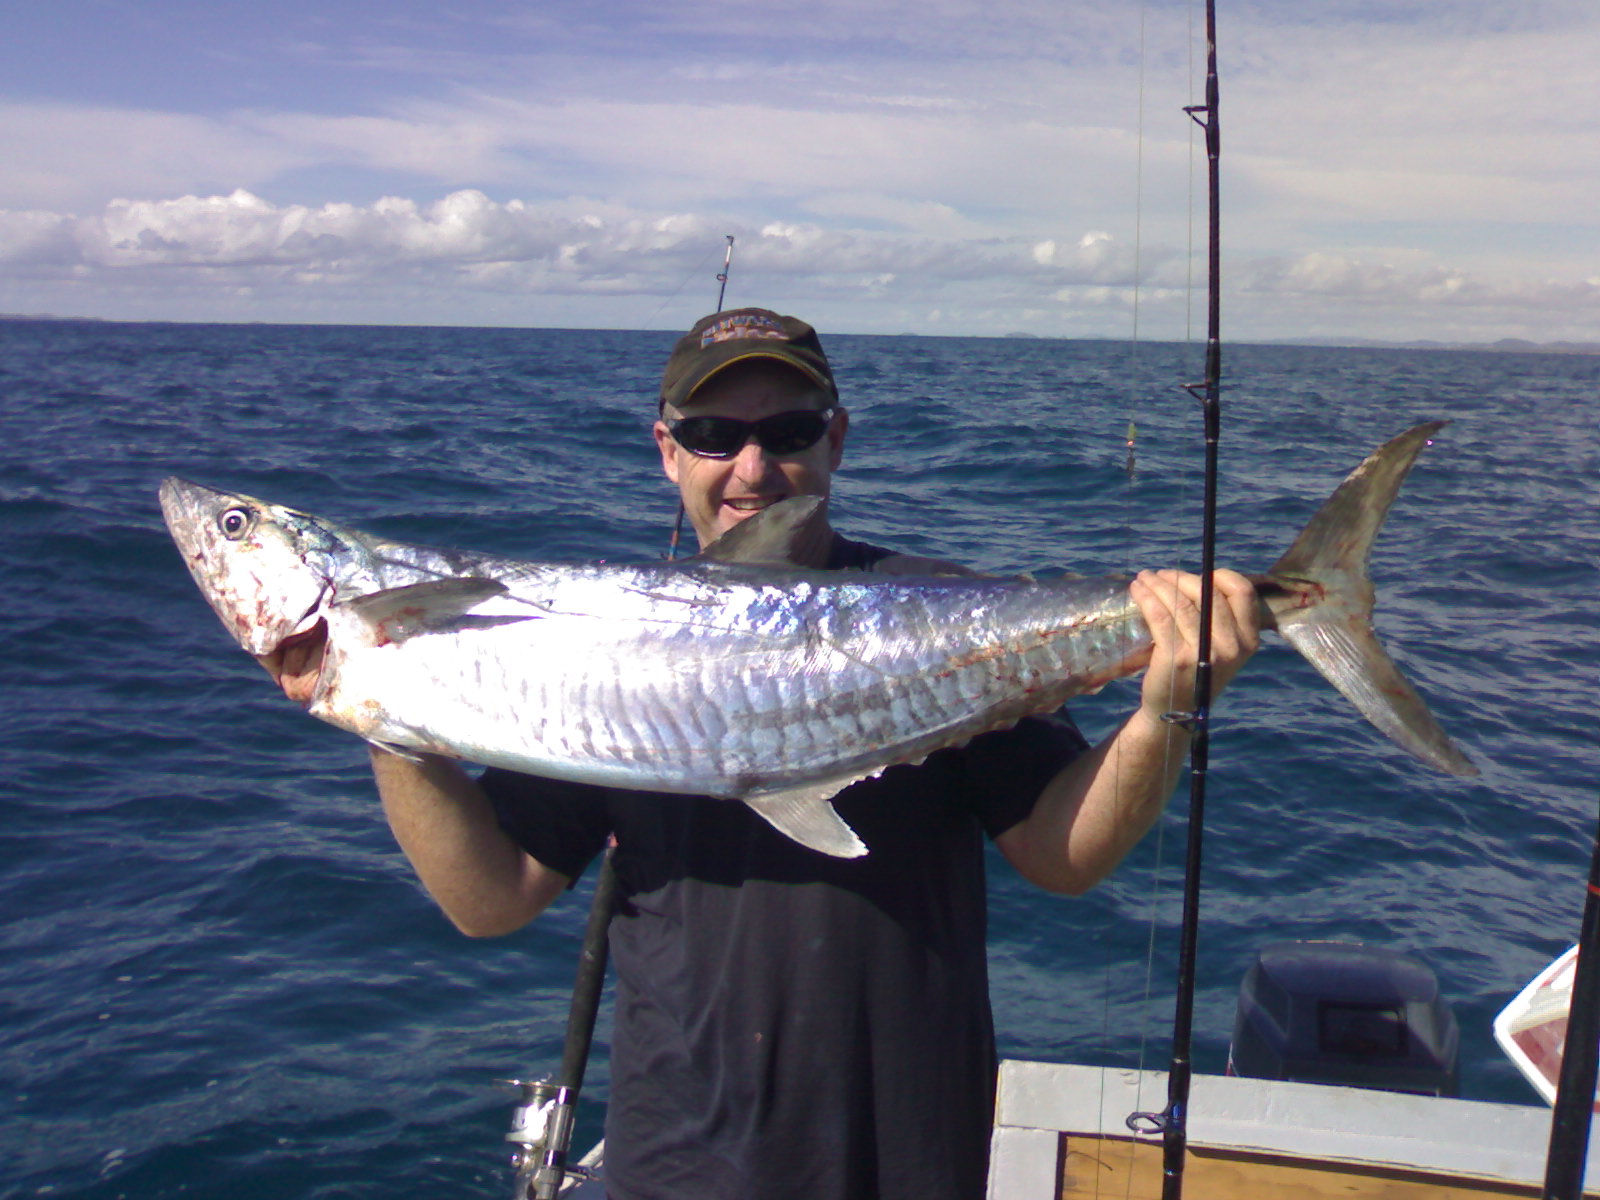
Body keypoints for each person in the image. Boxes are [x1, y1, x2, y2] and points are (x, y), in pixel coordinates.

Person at [261, 307, 1261, 1200]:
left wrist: (1166, 707)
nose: (750, 468)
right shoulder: (597, 650)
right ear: (666, 449)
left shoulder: (942, 606)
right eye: (711, 435)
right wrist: (381, 713)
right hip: (679, 1164)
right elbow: (490, 899)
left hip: (912, 1158)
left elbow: (1063, 857)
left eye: (785, 433)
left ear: (835, 439)